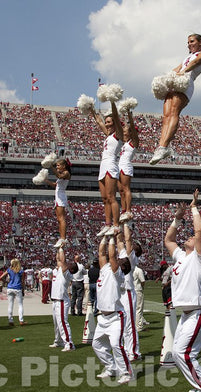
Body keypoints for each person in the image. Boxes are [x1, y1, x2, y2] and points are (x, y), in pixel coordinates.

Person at [164, 188, 201, 392]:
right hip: (188, 313)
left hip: (199, 311)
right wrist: (177, 219)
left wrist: (194, 207)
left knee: (183, 354)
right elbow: (168, 240)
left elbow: (199, 233)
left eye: (193, 238)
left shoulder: (198, 257)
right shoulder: (180, 256)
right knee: (180, 353)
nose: (190, 238)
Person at [150, 34, 201, 165]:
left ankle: (164, 146)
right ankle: (161, 147)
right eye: (188, 42)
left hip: (186, 82)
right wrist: (165, 78)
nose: (189, 44)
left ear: (200, 42)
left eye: (192, 41)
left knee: (173, 112)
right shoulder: (187, 57)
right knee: (166, 115)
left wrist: (183, 72)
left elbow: (196, 62)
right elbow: (177, 68)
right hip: (177, 80)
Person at [92, 235, 134, 384]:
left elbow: (110, 255)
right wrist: (104, 238)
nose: (119, 260)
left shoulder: (118, 274)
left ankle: (127, 373)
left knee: (116, 344)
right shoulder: (105, 270)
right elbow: (101, 253)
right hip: (103, 317)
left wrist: (111, 238)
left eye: (121, 261)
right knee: (96, 344)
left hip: (116, 317)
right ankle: (111, 368)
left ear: (123, 267)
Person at [89, 101, 123, 237]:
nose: (107, 124)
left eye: (109, 122)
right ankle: (107, 224)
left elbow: (115, 116)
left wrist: (112, 101)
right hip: (103, 165)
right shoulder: (108, 135)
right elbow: (98, 121)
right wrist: (91, 108)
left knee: (111, 197)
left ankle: (116, 225)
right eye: (107, 122)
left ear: (115, 123)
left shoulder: (118, 134)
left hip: (111, 164)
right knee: (104, 198)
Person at [117, 219, 142, 362]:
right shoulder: (123, 254)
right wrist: (117, 229)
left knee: (130, 324)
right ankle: (127, 349)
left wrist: (125, 223)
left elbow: (127, 239)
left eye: (131, 246)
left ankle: (134, 352)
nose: (128, 245)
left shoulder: (131, 257)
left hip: (127, 292)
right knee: (123, 323)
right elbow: (121, 241)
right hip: (121, 293)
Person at [49, 246, 75, 352]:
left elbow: (62, 261)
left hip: (62, 301)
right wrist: (59, 247)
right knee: (56, 323)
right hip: (55, 300)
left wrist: (61, 249)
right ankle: (58, 341)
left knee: (63, 322)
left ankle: (69, 344)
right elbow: (59, 259)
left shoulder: (67, 274)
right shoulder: (59, 270)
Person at [43, 158, 72, 248]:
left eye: (58, 165)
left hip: (61, 197)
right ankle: (61, 237)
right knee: (59, 219)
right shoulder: (62, 174)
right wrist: (45, 180)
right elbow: (56, 185)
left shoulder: (66, 173)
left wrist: (51, 166)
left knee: (61, 218)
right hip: (58, 197)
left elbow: (59, 176)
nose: (57, 167)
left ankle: (63, 238)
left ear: (64, 166)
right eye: (56, 166)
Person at [118, 108, 139, 222]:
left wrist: (129, 117)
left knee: (126, 189)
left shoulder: (134, 142)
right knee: (121, 191)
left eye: (126, 133)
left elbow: (133, 131)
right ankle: (123, 210)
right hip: (119, 166)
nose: (124, 134)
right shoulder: (124, 143)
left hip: (126, 165)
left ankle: (129, 210)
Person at [3, 259, 26, 326]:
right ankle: (21, 320)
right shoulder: (21, 271)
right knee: (20, 305)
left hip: (10, 288)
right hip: (18, 288)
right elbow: (22, 282)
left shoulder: (9, 270)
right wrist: (23, 290)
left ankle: (10, 320)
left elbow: (1, 277)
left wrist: (7, 282)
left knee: (10, 304)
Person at [133, 266, 148, 332]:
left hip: (131, 290)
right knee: (139, 309)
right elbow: (143, 281)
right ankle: (139, 326)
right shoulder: (138, 270)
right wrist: (142, 287)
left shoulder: (130, 269)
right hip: (138, 290)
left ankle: (134, 325)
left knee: (133, 309)